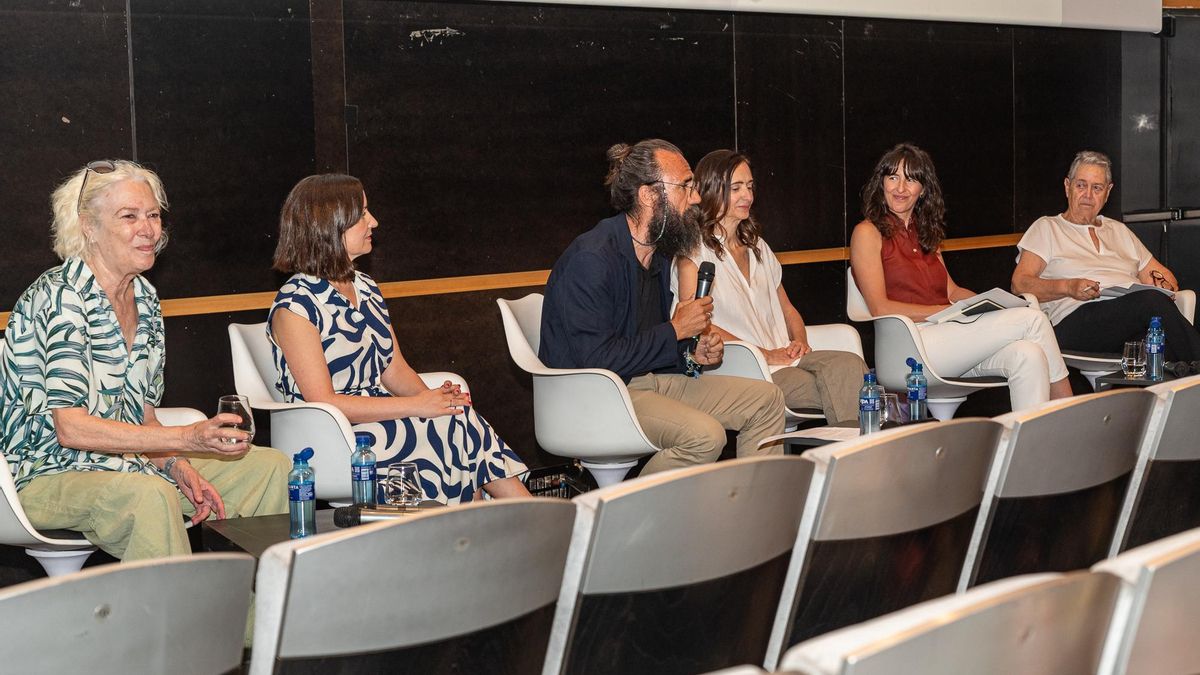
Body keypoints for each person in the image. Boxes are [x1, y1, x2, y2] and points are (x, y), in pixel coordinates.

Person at [0, 159, 290, 562]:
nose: (148, 229)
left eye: (153, 215)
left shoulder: (146, 299)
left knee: (266, 466)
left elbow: (144, 419)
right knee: (149, 496)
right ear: (88, 226)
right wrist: (186, 439)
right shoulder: (60, 297)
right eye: (129, 216)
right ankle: (175, 622)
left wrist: (177, 465)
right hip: (40, 475)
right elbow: (71, 429)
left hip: (124, 465)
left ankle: (257, 618)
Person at [268, 174, 530, 503]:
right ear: (330, 224)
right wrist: (418, 405)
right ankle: (497, 529)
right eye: (362, 214)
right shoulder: (295, 305)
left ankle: (514, 526)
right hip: (333, 433)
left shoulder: (365, 287)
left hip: (380, 418)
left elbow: (394, 369)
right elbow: (325, 402)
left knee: (457, 418)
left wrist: (438, 402)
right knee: (439, 431)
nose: (373, 221)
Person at [539, 139, 786, 474]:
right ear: (648, 195)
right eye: (685, 186)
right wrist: (676, 330)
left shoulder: (657, 255)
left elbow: (655, 344)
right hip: (597, 395)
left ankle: (754, 518)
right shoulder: (592, 259)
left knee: (766, 401)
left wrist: (692, 354)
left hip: (646, 382)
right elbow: (596, 360)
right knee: (705, 436)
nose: (696, 198)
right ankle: (632, 519)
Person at [849, 143, 1072, 412]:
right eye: (893, 177)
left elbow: (952, 291)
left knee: (1029, 354)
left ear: (922, 190)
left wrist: (992, 303)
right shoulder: (867, 232)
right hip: (909, 347)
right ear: (881, 182)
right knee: (1033, 319)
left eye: (911, 180)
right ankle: (1069, 410)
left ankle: (1028, 447)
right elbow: (879, 307)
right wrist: (944, 311)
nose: (900, 188)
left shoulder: (926, 233)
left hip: (948, 340)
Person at [674, 149, 866, 423]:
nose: (748, 196)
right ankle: (851, 459)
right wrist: (764, 354)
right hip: (743, 369)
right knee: (843, 385)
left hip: (784, 358)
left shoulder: (758, 247)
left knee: (851, 364)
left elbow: (788, 309)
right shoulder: (692, 251)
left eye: (750, 187)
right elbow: (694, 324)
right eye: (737, 188)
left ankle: (848, 454)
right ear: (711, 189)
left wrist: (799, 341)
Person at [1012, 150, 1200, 361]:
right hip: (1075, 321)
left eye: (1097, 188)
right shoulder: (1047, 228)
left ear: (1108, 192)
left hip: (1127, 318)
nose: (1088, 195)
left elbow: (1164, 279)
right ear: (1068, 186)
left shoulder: (1119, 231)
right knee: (1151, 303)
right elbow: (1020, 284)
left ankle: (1180, 390)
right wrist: (1069, 287)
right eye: (1081, 185)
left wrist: (1163, 286)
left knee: (1156, 341)